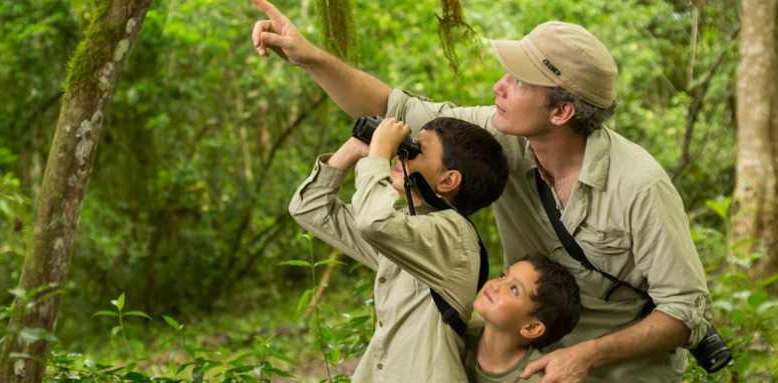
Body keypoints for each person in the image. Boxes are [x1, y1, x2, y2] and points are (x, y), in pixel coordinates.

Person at [252, 1, 713, 382]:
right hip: (525, 362)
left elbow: (684, 312)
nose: (499, 86)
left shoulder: (640, 186)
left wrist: (586, 356)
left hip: (621, 372)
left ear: (561, 112)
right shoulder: (503, 134)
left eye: (519, 80)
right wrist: (309, 57)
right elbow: (394, 108)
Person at [288, 117, 509, 382]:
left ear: (448, 180)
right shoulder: (408, 228)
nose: (402, 154)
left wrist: (379, 154)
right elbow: (310, 208)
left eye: (417, 150)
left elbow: (373, 222)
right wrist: (354, 149)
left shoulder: (454, 236)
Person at [467, 256, 582, 383]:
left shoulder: (537, 379)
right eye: (503, 276)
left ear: (531, 328)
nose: (496, 285)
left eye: (514, 289)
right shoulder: (460, 335)